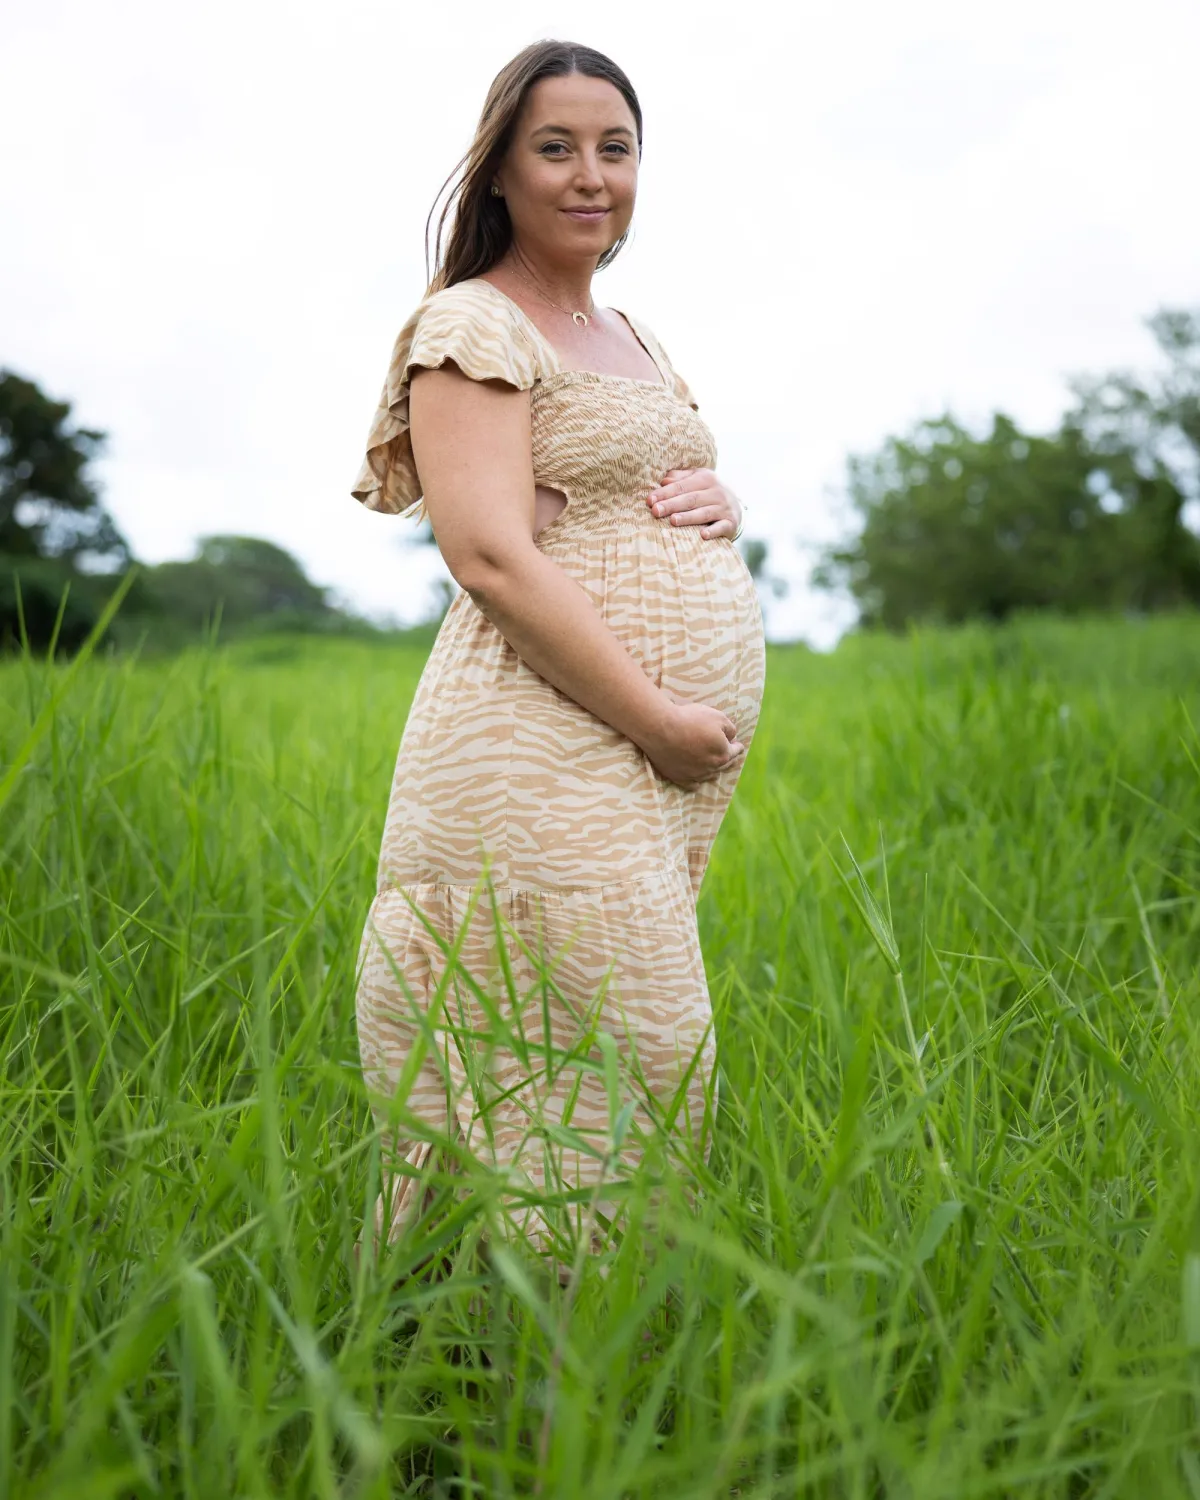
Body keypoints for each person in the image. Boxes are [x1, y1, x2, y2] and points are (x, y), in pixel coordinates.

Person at [351, 39, 766, 1261]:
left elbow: (613, 482)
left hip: (640, 763)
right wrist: (657, 717)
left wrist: (716, 499)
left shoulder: (625, 330)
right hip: (543, 738)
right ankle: (509, 1369)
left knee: (575, 1055)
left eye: (615, 147)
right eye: (556, 147)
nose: (592, 174)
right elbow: (486, 553)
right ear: (499, 173)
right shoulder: (471, 324)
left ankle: (545, 1376)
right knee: (636, 1046)